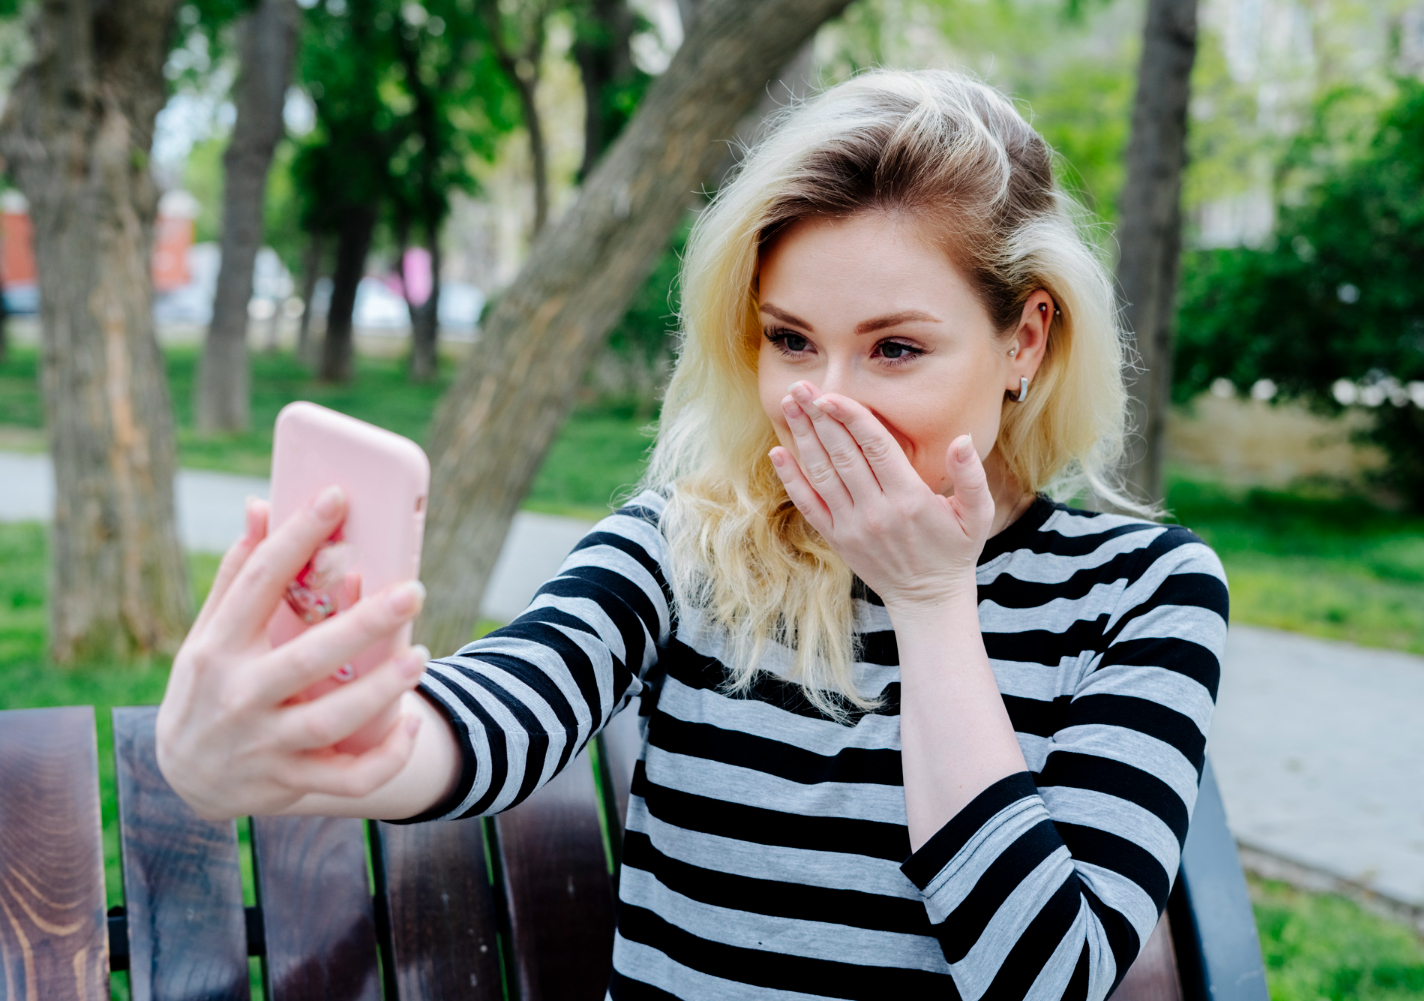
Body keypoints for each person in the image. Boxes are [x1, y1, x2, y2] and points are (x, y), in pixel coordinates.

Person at [159, 68, 1229, 1000]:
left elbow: (1046, 972)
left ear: (1024, 339)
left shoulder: (1141, 592)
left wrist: (932, 602)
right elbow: (500, 707)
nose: (824, 401)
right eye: (790, 340)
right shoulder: (691, 540)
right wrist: (306, 742)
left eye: (896, 348)